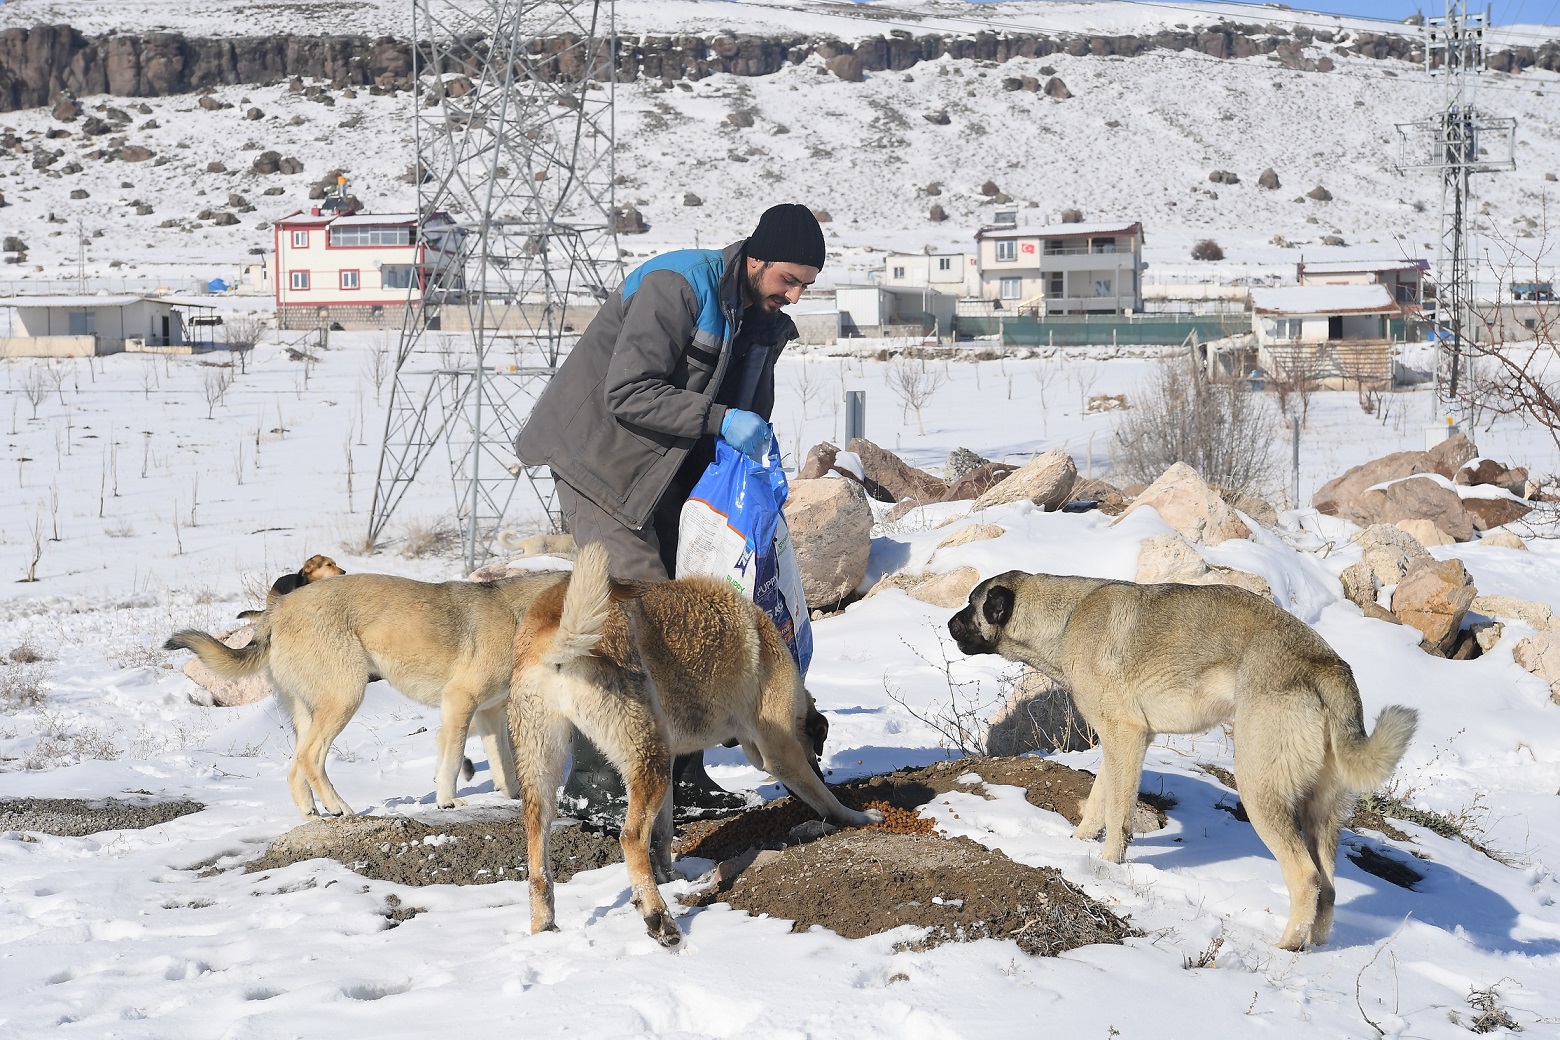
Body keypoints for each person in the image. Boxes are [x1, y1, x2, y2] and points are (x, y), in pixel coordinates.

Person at [515, 203, 826, 817]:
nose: (793, 296)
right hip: (601, 464)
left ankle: (679, 774)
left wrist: (755, 466)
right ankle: (601, 782)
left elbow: (745, 410)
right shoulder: (678, 287)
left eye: (805, 287)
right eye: (787, 280)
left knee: (688, 613)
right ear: (756, 258)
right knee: (637, 614)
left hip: (665, 473)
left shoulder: (759, 318)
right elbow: (629, 391)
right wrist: (720, 421)